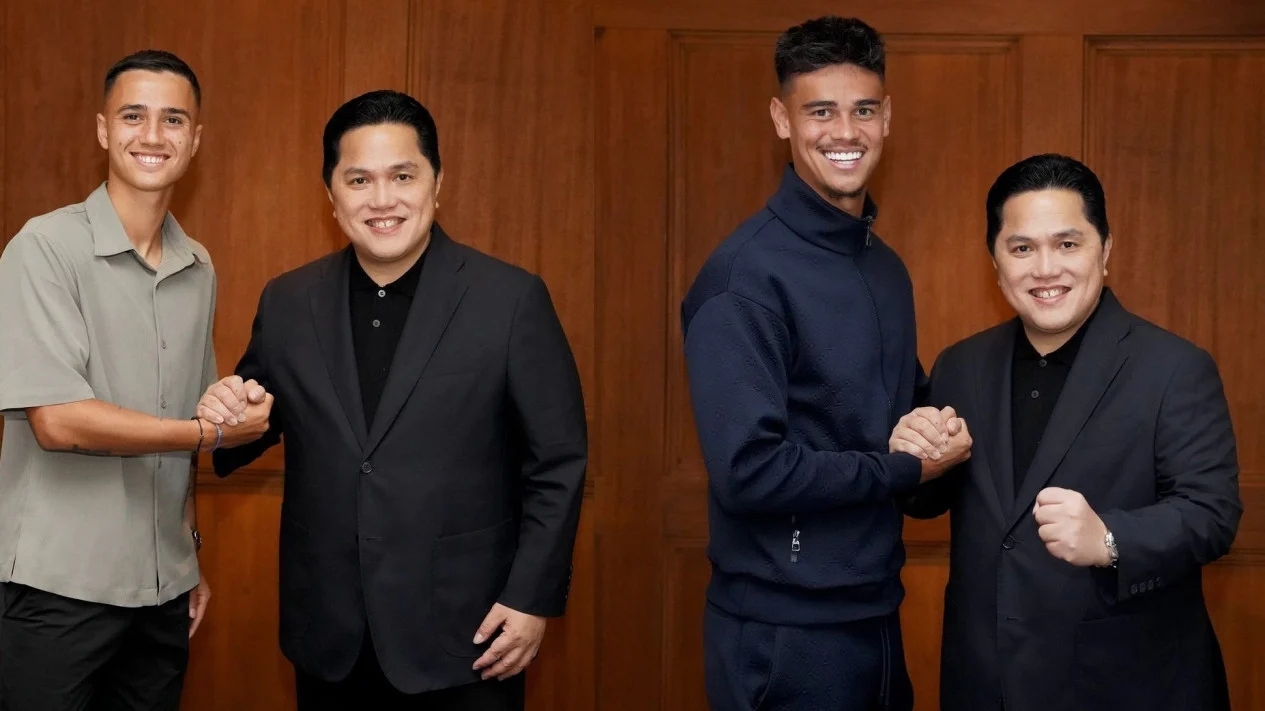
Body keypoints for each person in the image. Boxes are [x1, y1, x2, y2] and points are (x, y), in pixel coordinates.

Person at [197, 89, 588, 711]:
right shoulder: (289, 301)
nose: (382, 200)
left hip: (470, 632)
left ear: (437, 183)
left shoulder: (510, 300)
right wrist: (225, 413)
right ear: (331, 195)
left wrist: (530, 598)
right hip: (329, 633)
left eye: (403, 176)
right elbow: (251, 424)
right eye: (359, 180)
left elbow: (558, 463)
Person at [679, 16, 970, 711]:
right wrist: (905, 469)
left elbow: (898, 423)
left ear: (886, 117)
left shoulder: (885, 269)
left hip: (874, 616)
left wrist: (940, 441)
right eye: (820, 111)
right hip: (782, 636)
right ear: (782, 119)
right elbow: (749, 472)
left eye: (863, 110)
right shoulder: (742, 278)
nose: (845, 131)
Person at [893, 153, 1241, 711]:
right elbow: (933, 498)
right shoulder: (961, 365)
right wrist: (914, 455)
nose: (1045, 268)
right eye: (1021, 248)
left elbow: (1212, 514)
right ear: (995, 261)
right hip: (984, 680)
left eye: (1067, 244)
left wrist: (1109, 539)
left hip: (1124, 683)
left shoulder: (1175, 368)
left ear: (1105, 249)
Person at [0, 50, 273, 710]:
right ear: (103, 130)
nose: (153, 135)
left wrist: (187, 553)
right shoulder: (43, 247)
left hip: (163, 591)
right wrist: (208, 432)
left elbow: (189, 420)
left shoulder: (198, 265)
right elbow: (58, 420)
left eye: (173, 119)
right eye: (133, 116)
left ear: (195, 139)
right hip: (56, 589)